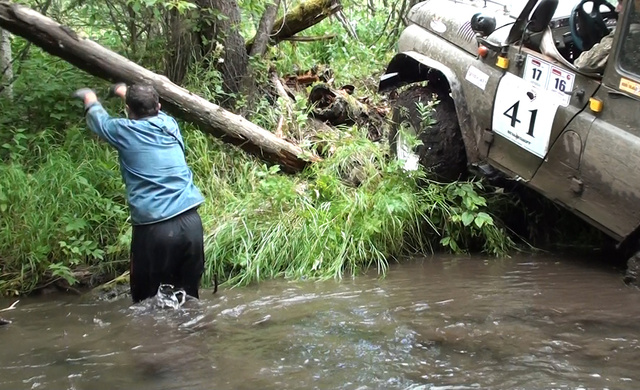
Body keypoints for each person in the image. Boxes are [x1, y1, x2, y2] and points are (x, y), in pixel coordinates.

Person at [72, 83, 205, 303]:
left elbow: (98, 120)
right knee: (188, 300)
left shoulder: (123, 130)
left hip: (155, 230)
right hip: (191, 224)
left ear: (127, 110)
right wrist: (123, 91)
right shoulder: (169, 124)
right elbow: (145, 108)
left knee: (148, 304)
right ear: (159, 107)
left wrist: (89, 96)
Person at [573, 0, 623, 73]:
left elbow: (583, 64)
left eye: (621, 3)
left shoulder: (626, 34)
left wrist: (597, 47)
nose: (616, 9)